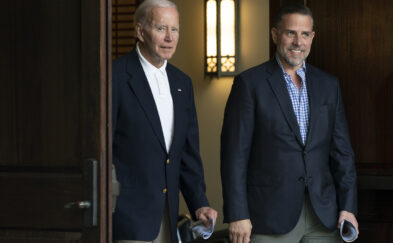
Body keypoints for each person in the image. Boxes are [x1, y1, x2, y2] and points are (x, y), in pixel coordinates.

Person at [220, 3, 358, 243]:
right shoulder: (250, 84)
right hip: (268, 216)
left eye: (305, 34)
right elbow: (234, 156)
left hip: (322, 217)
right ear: (275, 35)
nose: (298, 42)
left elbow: (342, 153)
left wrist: (348, 207)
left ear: (312, 37)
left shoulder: (328, 85)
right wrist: (237, 213)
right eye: (290, 33)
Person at [112, 0, 217, 242]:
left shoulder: (182, 83)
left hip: (169, 219)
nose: (170, 37)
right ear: (140, 32)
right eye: (161, 29)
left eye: (175, 29)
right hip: (128, 220)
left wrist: (199, 203)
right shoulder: (114, 77)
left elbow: (187, 154)